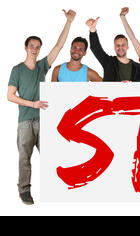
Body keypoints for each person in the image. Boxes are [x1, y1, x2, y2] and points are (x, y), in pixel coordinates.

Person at [7, 9, 76, 205]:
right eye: (32, 46)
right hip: (25, 122)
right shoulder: (17, 69)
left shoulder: (42, 66)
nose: (35, 49)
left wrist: (69, 22)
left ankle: (58, 187)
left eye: (38, 47)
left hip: (43, 119)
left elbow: (59, 46)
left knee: (52, 154)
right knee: (24, 159)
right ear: (26, 48)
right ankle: (24, 190)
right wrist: (32, 103)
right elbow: (10, 96)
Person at [86, 17, 140, 82]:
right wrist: (92, 30)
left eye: (123, 45)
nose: (120, 48)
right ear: (114, 47)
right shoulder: (109, 62)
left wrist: (131, 85)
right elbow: (96, 48)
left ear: (127, 46)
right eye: (118, 45)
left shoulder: (137, 67)